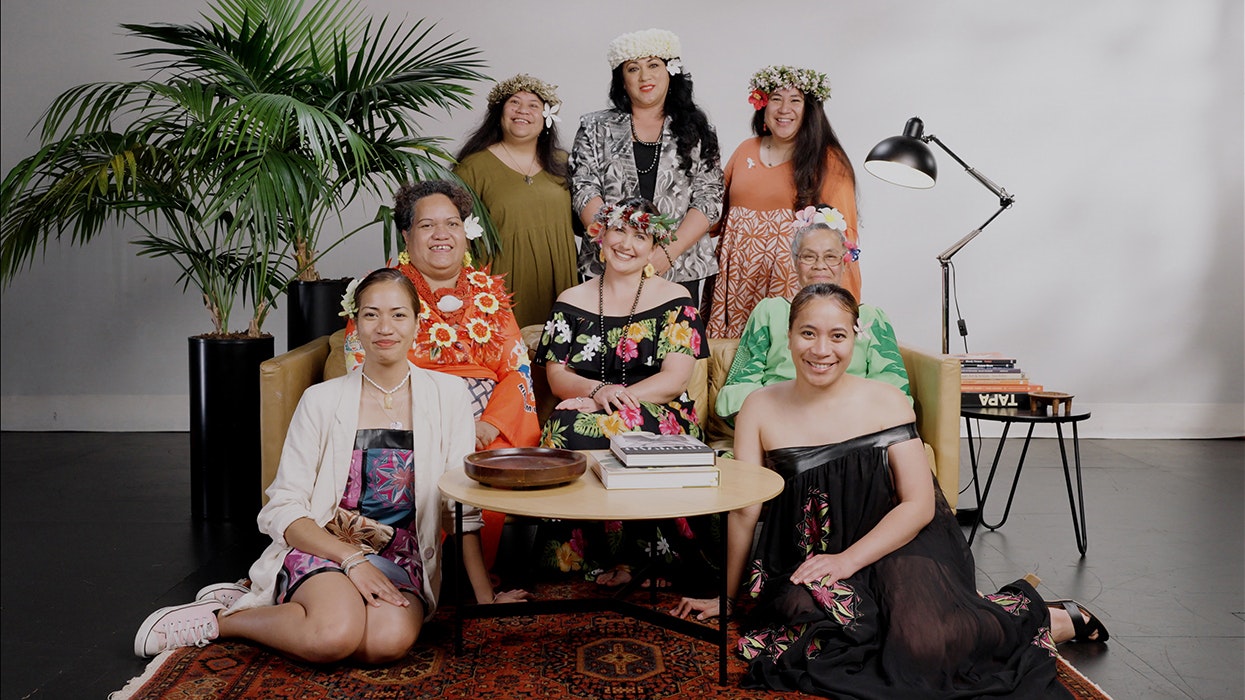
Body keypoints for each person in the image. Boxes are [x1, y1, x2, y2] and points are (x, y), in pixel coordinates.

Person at [674, 284, 1108, 697]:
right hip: (814, 548)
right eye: (808, 333)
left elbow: (918, 505)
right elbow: (747, 511)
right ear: (789, 336)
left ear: (855, 338)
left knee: (922, 646)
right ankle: (960, 606)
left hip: (899, 537)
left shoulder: (886, 401)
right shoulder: (760, 407)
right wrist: (727, 598)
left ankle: (1045, 618)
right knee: (797, 623)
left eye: (837, 335)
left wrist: (846, 562)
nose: (821, 349)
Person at [134, 269, 528, 661]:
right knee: (334, 635)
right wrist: (351, 559)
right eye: (371, 314)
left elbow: (459, 509)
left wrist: (487, 600)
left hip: (400, 557)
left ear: (417, 323)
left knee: (386, 642)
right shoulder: (321, 400)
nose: (384, 327)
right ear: (355, 324)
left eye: (398, 314)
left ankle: (273, 599)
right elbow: (284, 506)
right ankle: (223, 620)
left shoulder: (448, 395)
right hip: (326, 544)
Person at [342, 180, 541, 565]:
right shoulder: (382, 292)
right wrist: (442, 423)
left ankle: (473, 575)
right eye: (427, 225)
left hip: (487, 428)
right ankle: (417, 568)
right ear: (406, 234)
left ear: (465, 233)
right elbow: (364, 370)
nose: (441, 235)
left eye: (451, 224)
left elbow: (516, 368)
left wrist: (488, 426)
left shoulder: (490, 292)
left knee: (496, 462)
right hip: (414, 419)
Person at [532, 197, 711, 587]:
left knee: (611, 423)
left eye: (640, 236)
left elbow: (674, 379)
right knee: (566, 426)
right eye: (619, 230)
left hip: (660, 408)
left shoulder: (676, 299)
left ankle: (639, 560)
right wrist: (598, 390)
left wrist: (610, 399)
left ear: (654, 246)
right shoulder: (571, 299)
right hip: (589, 402)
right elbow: (556, 374)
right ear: (600, 234)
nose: (627, 244)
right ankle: (582, 560)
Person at [569, 28, 723, 315]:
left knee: (673, 353)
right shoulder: (594, 127)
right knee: (608, 353)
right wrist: (615, 246)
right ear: (622, 80)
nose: (644, 76)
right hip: (608, 261)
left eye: (653, 65)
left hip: (678, 264)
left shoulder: (698, 130)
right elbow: (584, 189)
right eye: (633, 68)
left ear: (670, 72)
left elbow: (709, 198)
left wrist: (667, 252)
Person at [707, 65, 861, 338]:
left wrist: (843, 306)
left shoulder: (828, 160)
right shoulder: (746, 149)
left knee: (780, 356)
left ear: (810, 109)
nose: (784, 109)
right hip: (735, 286)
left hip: (789, 286)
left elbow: (844, 239)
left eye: (795, 100)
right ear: (763, 106)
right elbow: (713, 216)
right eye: (776, 98)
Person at [716, 209, 908, 426]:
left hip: (851, 424)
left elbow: (893, 389)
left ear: (844, 264)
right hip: (780, 422)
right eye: (809, 256)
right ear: (795, 262)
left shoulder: (871, 317)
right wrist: (769, 425)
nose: (820, 265)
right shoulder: (770, 311)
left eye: (830, 257)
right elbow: (742, 383)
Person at [454, 73, 578, 328]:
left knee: (558, 361)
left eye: (533, 105)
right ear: (499, 113)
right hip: (501, 286)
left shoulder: (564, 162)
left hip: (559, 280)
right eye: (514, 102)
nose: (523, 111)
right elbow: (455, 232)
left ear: (546, 117)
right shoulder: (472, 167)